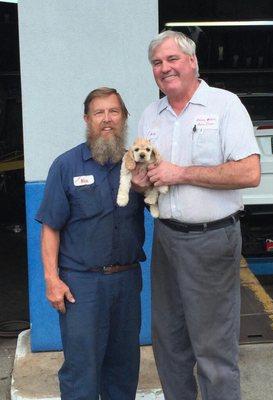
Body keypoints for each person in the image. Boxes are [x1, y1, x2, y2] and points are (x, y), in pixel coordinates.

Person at [136, 31, 261, 400]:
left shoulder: (224, 106)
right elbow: (148, 181)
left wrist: (181, 173)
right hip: (167, 239)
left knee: (213, 349)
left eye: (172, 59)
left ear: (192, 62)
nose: (164, 69)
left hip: (212, 239)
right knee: (169, 344)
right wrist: (143, 181)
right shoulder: (151, 114)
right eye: (157, 63)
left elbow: (249, 173)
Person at [36, 87, 146, 400]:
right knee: (81, 370)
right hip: (81, 286)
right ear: (87, 119)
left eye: (114, 112)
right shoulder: (66, 166)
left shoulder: (137, 164)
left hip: (126, 281)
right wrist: (51, 280)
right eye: (99, 113)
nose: (107, 119)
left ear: (124, 118)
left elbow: (160, 205)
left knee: (124, 368)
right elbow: (51, 227)